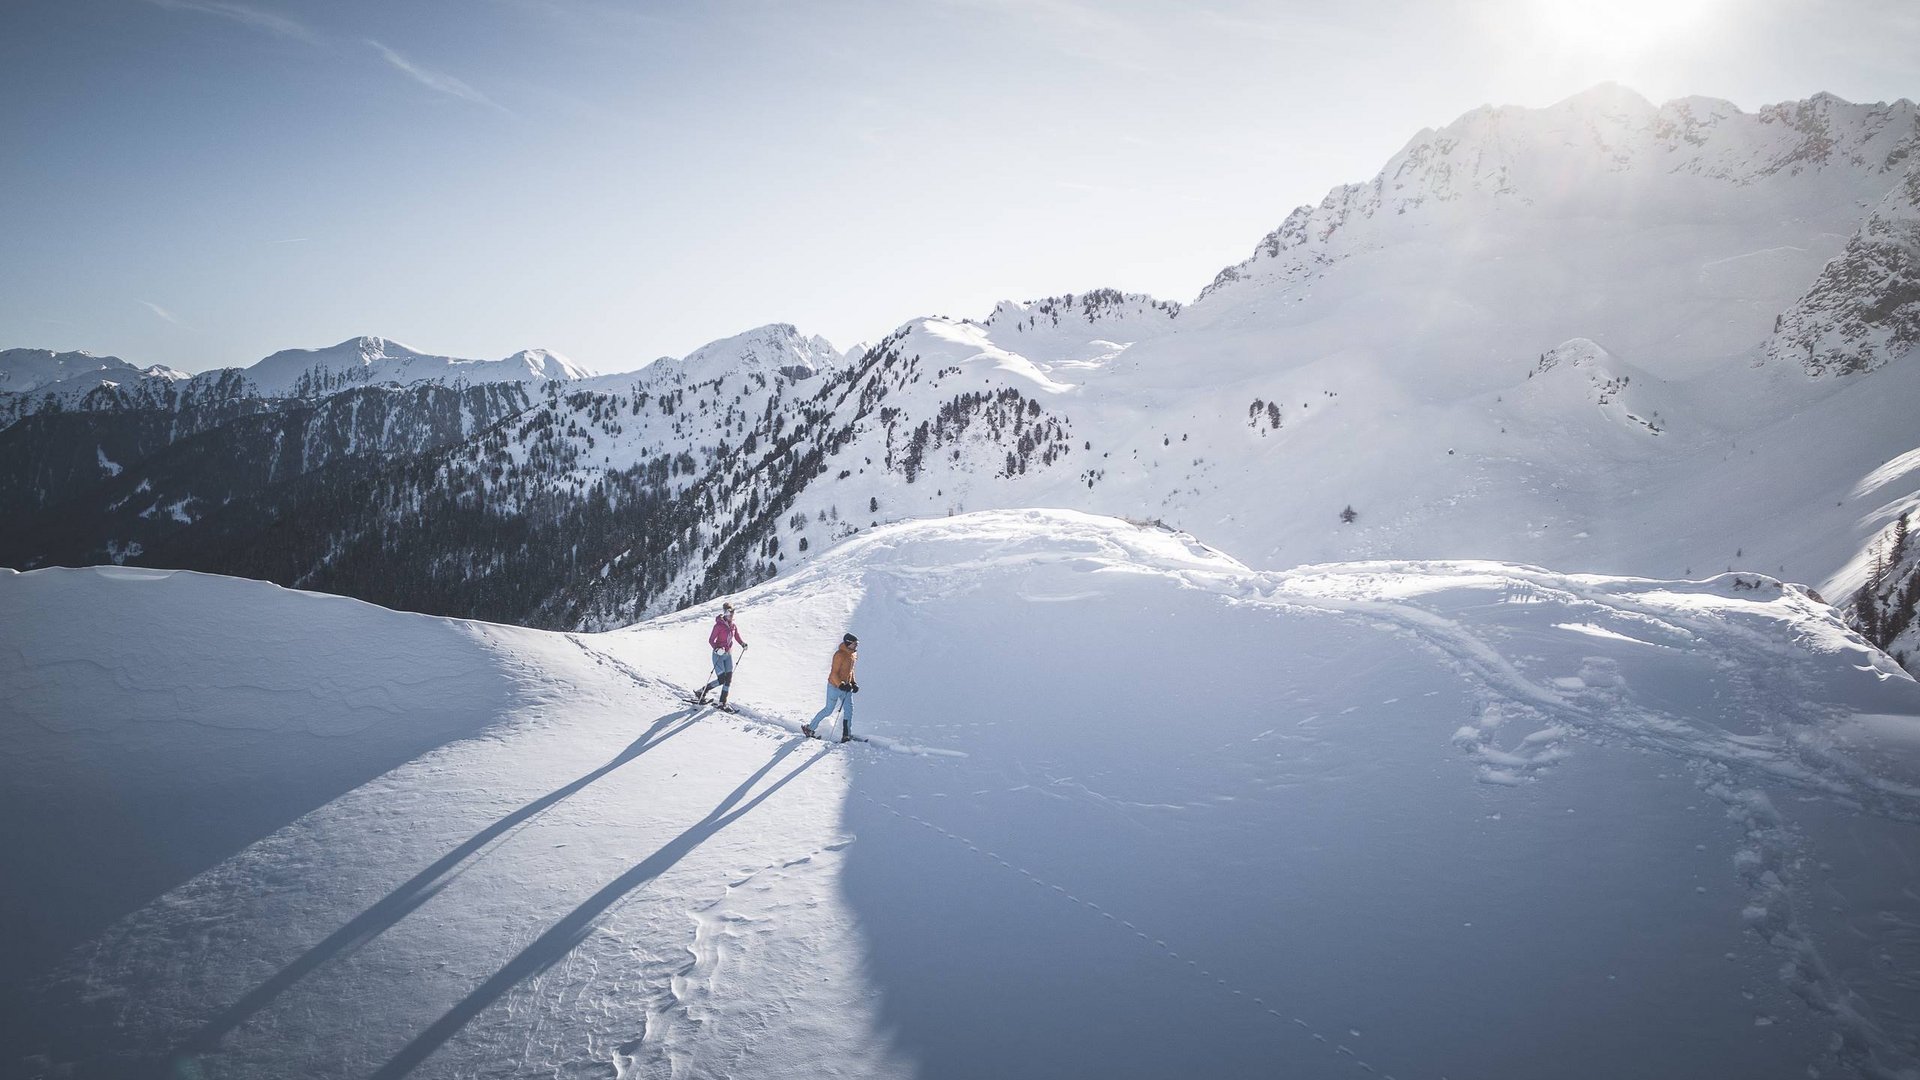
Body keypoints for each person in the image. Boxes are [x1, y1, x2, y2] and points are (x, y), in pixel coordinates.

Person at [802, 633, 858, 743]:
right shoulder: (839, 655)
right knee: (828, 710)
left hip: (846, 688)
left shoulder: (853, 655)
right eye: (854, 644)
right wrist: (841, 684)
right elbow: (834, 673)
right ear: (848, 643)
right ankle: (810, 729)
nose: (856, 646)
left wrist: (853, 683)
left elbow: (850, 671)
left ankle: (846, 735)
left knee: (849, 710)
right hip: (834, 687)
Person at [695, 602, 747, 708]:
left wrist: (742, 644)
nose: (731, 615)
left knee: (728, 678)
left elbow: (736, 636)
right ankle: (702, 691)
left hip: (728, 655)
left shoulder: (733, 626)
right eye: (729, 613)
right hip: (718, 655)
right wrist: (717, 648)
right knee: (722, 679)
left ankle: (722, 702)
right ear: (725, 613)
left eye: (732, 613)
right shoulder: (718, 626)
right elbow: (711, 640)